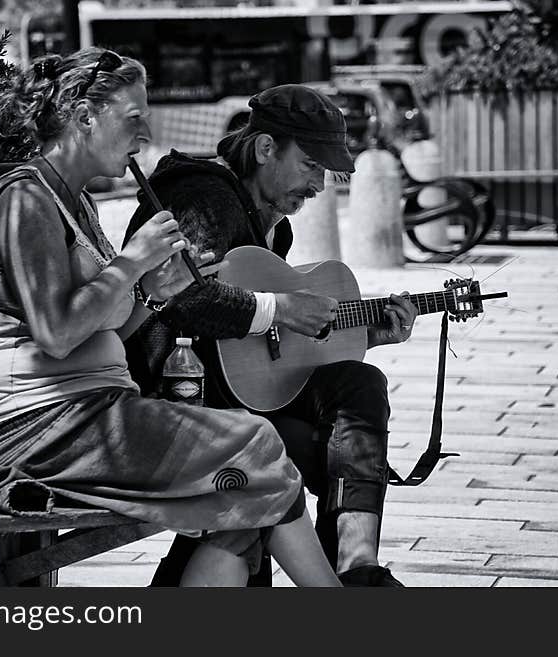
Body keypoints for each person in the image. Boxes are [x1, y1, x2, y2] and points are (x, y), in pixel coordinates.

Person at [0, 48, 341, 587]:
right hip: (28, 424)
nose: (145, 135)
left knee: (251, 495)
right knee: (258, 447)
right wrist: (133, 260)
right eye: (134, 118)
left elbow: (105, 326)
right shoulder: (25, 199)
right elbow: (56, 333)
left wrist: (155, 292)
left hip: (84, 413)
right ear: (85, 116)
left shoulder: (76, 202)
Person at [123, 84, 419, 586]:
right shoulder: (203, 195)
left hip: (232, 391)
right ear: (265, 149)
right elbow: (186, 301)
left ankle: (356, 566)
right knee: (299, 455)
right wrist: (281, 308)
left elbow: (264, 348)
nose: (320, 185)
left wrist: (364, 335)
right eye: (310, 166)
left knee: (358, 384)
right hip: (178, 394)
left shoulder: (273, 225)